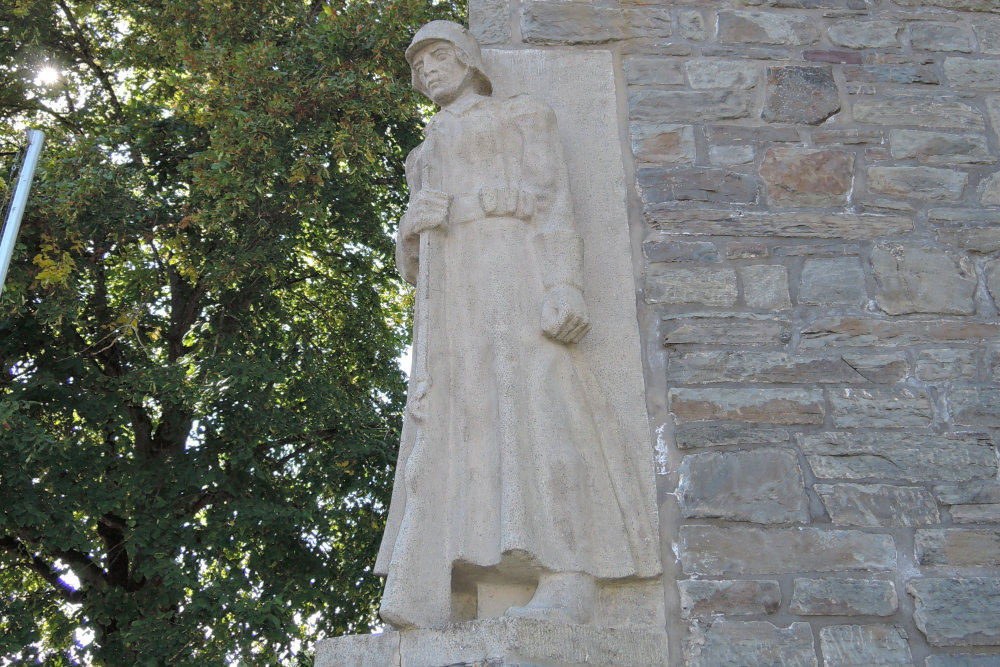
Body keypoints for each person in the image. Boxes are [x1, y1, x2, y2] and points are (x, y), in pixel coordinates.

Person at [374, 21, 660, 630]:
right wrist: (409, 232)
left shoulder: (522, 114)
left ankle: (568, 572)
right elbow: (416, 270)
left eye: (438, 55)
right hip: (454, 300)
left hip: (514, 271)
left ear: (470, 60)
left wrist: (563, 283)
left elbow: (554, 200)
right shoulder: (421, 156)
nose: (427, 70)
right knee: (462, 419)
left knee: (540, 407)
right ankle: (457, 573)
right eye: (417, 63)